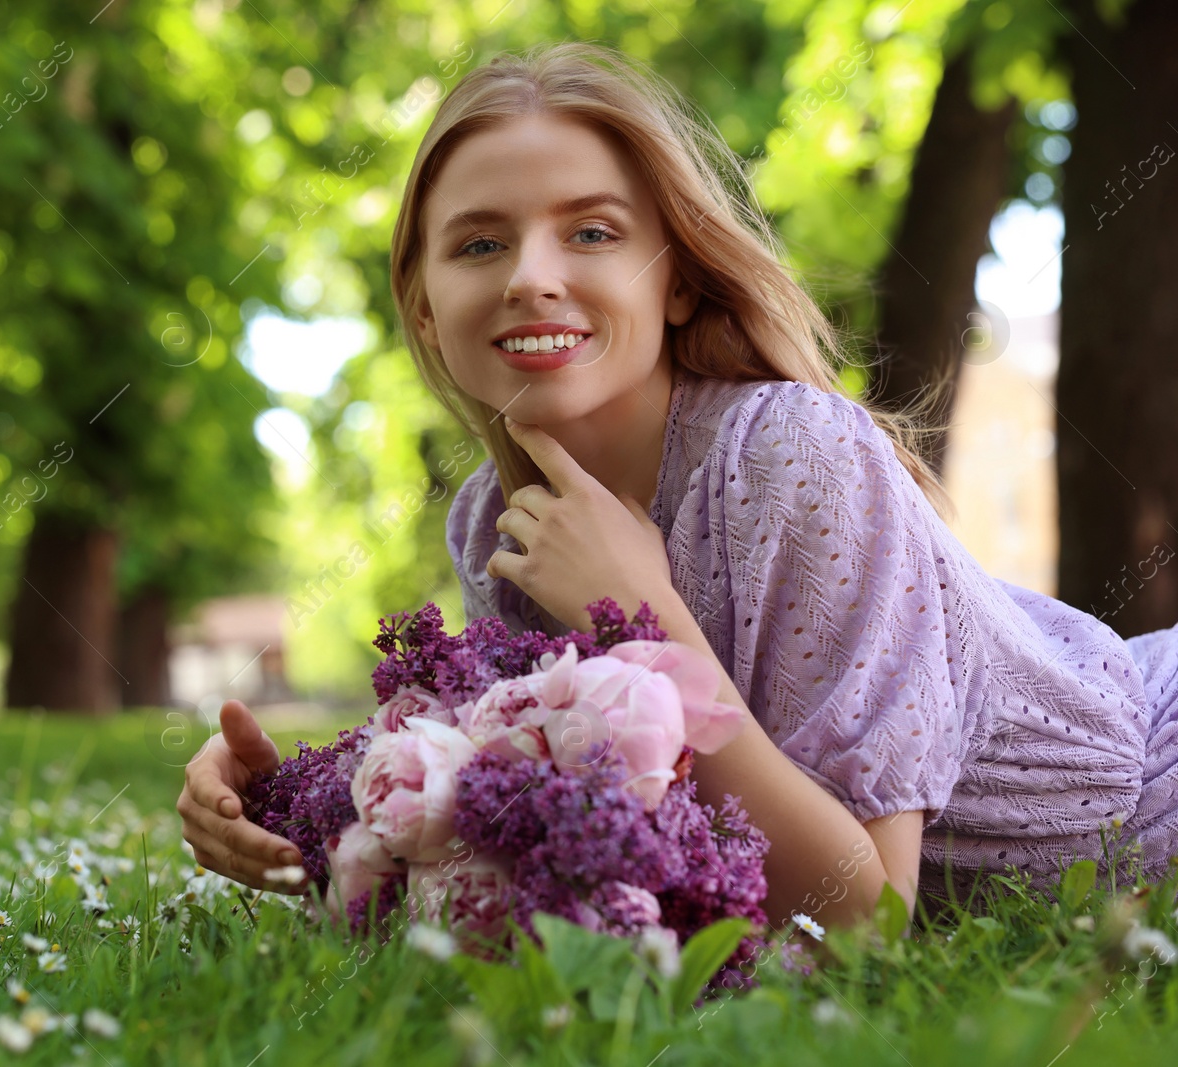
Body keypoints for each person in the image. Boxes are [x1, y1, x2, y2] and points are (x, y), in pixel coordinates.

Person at [176, 40, 1178, 926]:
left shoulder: (791, 455)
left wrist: (643, 618)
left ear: (679, 278)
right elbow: (613, 841)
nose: (530, 274)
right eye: (479, 243)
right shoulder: (496, 518)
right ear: (427, 308)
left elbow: (864, 916)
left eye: (593, 232)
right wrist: (306, 813)